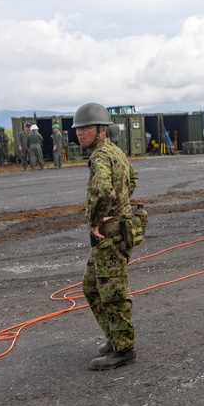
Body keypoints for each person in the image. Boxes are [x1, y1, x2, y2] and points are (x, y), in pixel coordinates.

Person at [73, 102, 140, 371]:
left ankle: (124, 349)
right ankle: (114, 337)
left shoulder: (101, 156)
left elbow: (103, 192)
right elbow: (132, 178)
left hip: (109, 236)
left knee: (111, 292)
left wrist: (99, 220)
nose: (80, 133)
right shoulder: (114, 152)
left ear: (102, 130)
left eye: (86, 128)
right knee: (91, 286)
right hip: (115, 232)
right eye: (78, 129)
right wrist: (121, 207)